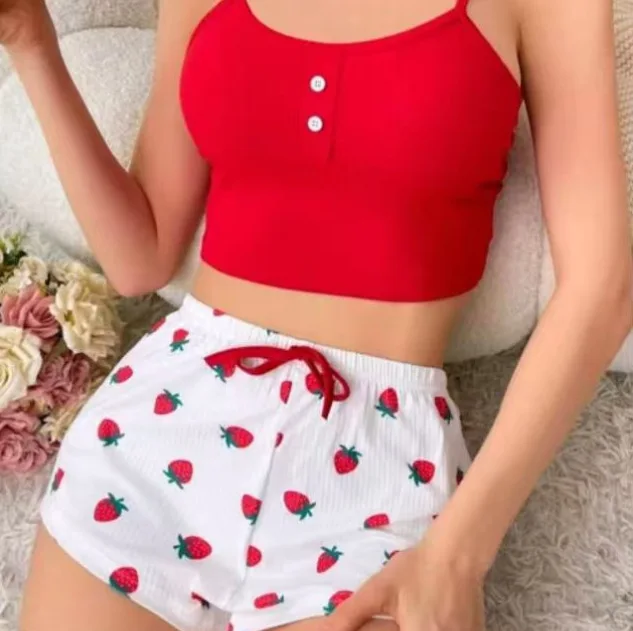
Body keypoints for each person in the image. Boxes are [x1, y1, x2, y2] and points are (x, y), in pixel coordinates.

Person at [2, 0, 631, 629]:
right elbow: (140, 259)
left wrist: (456, 558)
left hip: (378, 466)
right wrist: (32, 41)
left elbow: (602, 289)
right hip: (164, 426)